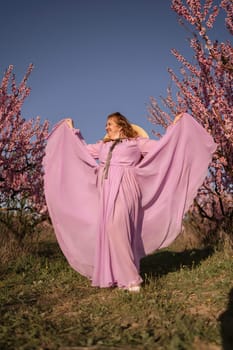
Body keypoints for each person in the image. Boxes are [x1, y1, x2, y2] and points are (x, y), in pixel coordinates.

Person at [43, 112, 216, 292]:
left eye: (110, 123)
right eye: (106, 124)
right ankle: (117, 277)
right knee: (109, 231)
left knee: (116, 226)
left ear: (121, 125)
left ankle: (132, 279)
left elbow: (163, 148)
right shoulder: (102, 145)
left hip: (126, 186)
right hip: (106, 189)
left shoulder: (136, 143)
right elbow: (79, 151)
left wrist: (175, 128)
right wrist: (72, 132)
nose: (106, 127)